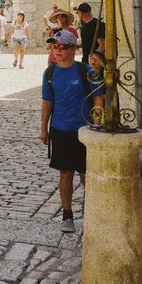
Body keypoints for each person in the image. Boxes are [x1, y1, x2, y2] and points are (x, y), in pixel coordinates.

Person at [40, 29, 104, 233]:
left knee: (86, 174)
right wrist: (43, 128)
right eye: (55, 47)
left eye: (62, 47)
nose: (58, 51)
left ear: (73, 50)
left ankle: (94, 211)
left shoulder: (85, 71)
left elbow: (97, 97)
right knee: (65, 173)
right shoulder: (50, 73)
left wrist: (96, 121)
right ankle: (67, 214)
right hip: (60, 129)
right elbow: (47, 102)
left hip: (84, 129)